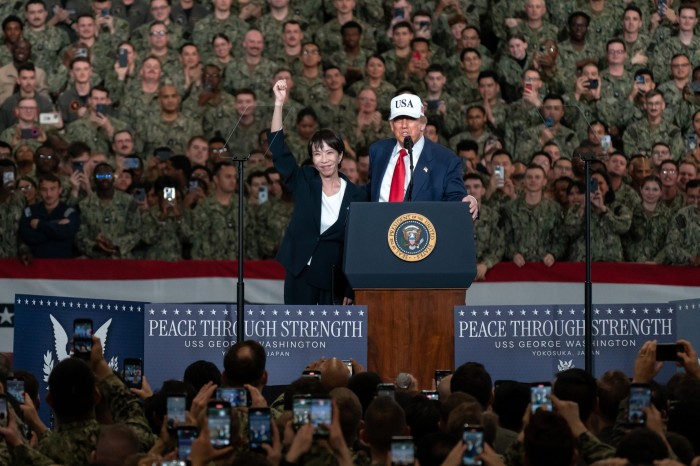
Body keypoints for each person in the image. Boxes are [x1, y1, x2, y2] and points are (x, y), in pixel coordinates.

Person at [269, 78, 368, 305]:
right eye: (317, 154)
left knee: (328, 337)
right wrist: (278, 104)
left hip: (332, 278)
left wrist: (350, 288)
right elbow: (278, 150)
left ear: (340, 156)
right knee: (297, 332)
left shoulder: (357, 195)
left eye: (329, 153)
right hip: (299, 271)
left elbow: (356, 246)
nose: (323, 160)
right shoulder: (305, 180)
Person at [366, 93, 478, 216]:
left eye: (411, 119)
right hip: (378, 228)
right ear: (392, 125)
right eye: (398, 120)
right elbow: (369, 191)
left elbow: (455, 197)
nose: (404, 125)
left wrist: (467, 201)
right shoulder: (378, 150)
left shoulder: (445, 159)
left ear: (423, 124)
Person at [19, 174, 80, 260]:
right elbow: (28, 236)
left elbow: (67, 232)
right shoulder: (30, 211)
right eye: (44, 190)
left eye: (52, 189)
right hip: (36, 264)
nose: (48, 194)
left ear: (60, 190)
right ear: (39, 191)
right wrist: (56, 225)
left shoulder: (69, 211)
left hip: (63, 264)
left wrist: (40, 224)